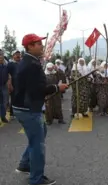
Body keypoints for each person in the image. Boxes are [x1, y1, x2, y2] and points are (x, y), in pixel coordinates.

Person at [12, 33, 68, 185]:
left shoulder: (29, 61)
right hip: (28, 109)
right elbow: (38, 90)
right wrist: (58, 87)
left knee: (40, 133)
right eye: (38, 43)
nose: (42, 46)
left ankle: (24, 165)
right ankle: (36, 179)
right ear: (29, 46)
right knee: (37, 144)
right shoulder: (32, 65)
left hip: (24, 107)